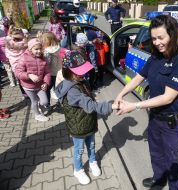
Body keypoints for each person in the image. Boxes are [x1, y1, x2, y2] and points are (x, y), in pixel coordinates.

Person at [115, 15, 178, 190]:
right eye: (154, 38)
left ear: (173, 35)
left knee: (175, 162)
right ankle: (159, 179)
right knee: (156, 153)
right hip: (155, 117)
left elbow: (168, 97)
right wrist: (121, 94)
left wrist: (133, 106)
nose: (157, 42)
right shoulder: (156, 56)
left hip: (174, 124)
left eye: (161, 38)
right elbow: (139, 77)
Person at [55, 50, 118, 185]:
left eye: (83, 70)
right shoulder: (72, 90)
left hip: (88, 122)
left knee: (92, 144)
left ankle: (92, 160)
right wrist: (111, 106)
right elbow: (90, 106)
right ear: (69, 71)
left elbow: (88, 98)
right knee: (79, 149)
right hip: (78, 127)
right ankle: (78, 169)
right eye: (79, 71)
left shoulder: (80, 81)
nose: (83, 73)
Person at [15, 38, 51, 122]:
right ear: (30, 49)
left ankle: (41, 108)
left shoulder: (44, 59)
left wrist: (46, 82)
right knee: (34, 101)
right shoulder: (24, 58)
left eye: (40, 49)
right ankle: (37, 115)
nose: (39, 51)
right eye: (36, 49)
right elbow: (18, 72)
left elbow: (47, 72)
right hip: (28, 87)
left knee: (45, 101)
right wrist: (29, 75)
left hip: (40, 85)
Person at [40, 32, 65, 106]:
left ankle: (47, 103)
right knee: (59, 87)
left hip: (50, 73)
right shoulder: (59, 47)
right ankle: (61, 102)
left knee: (47, 88)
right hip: (59, 71)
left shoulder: (47, 51)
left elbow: (47, 63)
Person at [5, 27, 28, 97]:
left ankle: (24, 94)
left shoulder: (8, 42)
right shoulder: (23, 43)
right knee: (26, 78)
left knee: (20, 79)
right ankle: (29, 91)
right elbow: (28, 45)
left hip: (15, 65)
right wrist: (25, 38)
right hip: (24, 64)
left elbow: (7, 53)